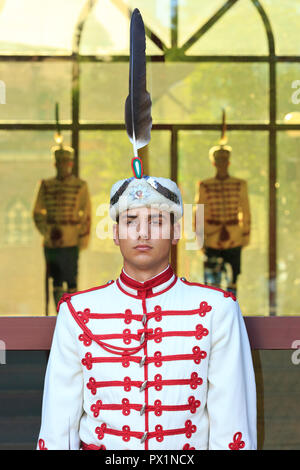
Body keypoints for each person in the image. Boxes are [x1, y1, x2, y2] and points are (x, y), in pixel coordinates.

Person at [36, 10, 256, 451]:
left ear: (176, 232)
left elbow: (232, 423)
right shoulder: (78, 312)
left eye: (157, 220)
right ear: (114, 233)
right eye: (130, 221)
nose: (142, 232)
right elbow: (57, 427)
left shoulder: (216, 310)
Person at [33, 106, 91, 311]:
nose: (64, 166)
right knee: (56, 280)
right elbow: (37, 212)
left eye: (67, 162)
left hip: (71, 238)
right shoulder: (46, 185)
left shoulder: (79, 186)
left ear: (71, 164)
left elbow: (87, 215)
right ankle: (58, 314)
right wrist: (48, 231)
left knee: (71, 279)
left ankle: (71, 314)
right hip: (52, 240)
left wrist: (81, 238)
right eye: (61, 163)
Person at [194, 110, 251, 296]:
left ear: (229, 162)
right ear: (213, 162)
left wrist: (245, 234)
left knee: (233, 281)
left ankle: (232, 310)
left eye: (225, 160)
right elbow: (198, 212)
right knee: (212, 284)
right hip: (212, 237)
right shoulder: (205, 185)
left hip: (234, 236)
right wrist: (199, 238)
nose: (222, 163)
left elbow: (246, 210)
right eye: (219, 160)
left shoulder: (239, 184)